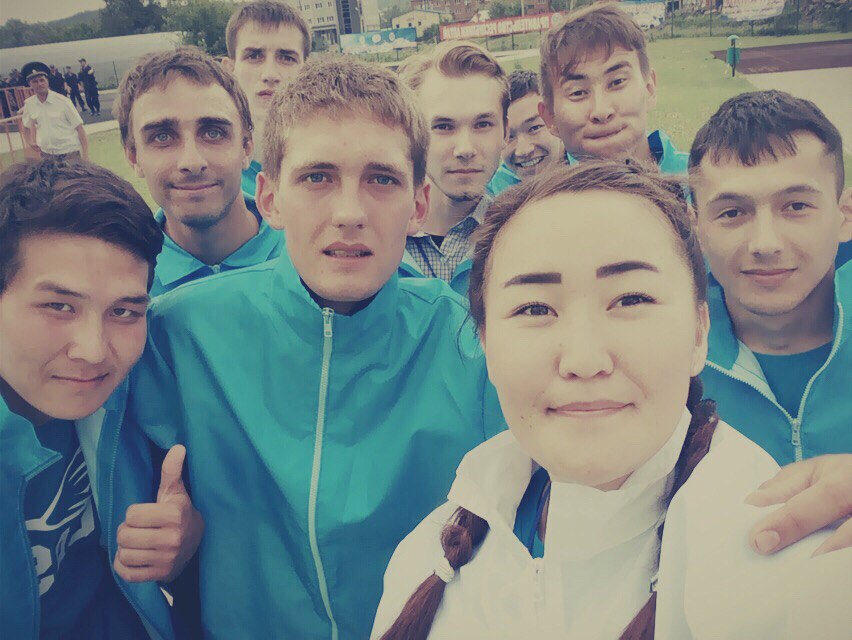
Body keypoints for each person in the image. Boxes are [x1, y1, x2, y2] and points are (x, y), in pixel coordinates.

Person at [372, 160, 851, 640]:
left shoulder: (805, 575)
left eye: (631, 300)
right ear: (486, 346)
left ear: (699, 332)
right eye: (535, 308)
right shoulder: (426, 556)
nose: (584, 360)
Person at [127, 56, 505, 639]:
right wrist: (169, 545)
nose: (349, 213)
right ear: (270, 198)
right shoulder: (178, 334)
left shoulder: (473, 346)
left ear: (418, 204)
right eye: (317, 178)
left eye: (381, 179)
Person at [0, 159, 203, 640]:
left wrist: (186, 541)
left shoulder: (128, 399)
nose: (93, 351)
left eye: (124, 311)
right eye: (59, 306)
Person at [689, 90, 851, 467]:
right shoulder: (667, 356)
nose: (765, 244)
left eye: (796, 206)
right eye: (732, 213)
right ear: (697, 228)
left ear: (844, 215)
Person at [115, 46, 284, 296]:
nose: (192, 162)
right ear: (133, 156)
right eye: (162, 137)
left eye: (213, 133)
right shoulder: (122, 285)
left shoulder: (308, 256)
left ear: (246, 147)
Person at [397, 41, 509, 295]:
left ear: (506, 132)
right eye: (444, 127)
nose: (465, 149)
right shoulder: (372, 240)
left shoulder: (525, 237)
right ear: (412, 135)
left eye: (482, 124)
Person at [539, 3, 688, 174]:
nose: (601, 112)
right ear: (550, 117)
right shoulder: (545, 191)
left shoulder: (702, 182)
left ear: (649, 88)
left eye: (617, 82)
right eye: (578, 92)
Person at [221, 0, 311, 196]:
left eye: (286, 58)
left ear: (306, 71)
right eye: (254, 56)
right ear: (229, 70)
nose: (270, 74)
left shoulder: (334, 163)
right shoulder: (211, 179)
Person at [487, 69, 564, 195]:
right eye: (508, 136)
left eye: (534, 128)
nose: (523, 150)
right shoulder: (492, 192)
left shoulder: (590, 166)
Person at [20, 62, 89, 161]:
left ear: (47, 81)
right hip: (47, 155)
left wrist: (85, 155)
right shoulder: (29, 104)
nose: (39, 84)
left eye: (42, 80)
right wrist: (30, 142)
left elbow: (80, 128)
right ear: (30, 84)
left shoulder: (63, 102)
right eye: (35, 81)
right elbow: (25, 126)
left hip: (69, 153)